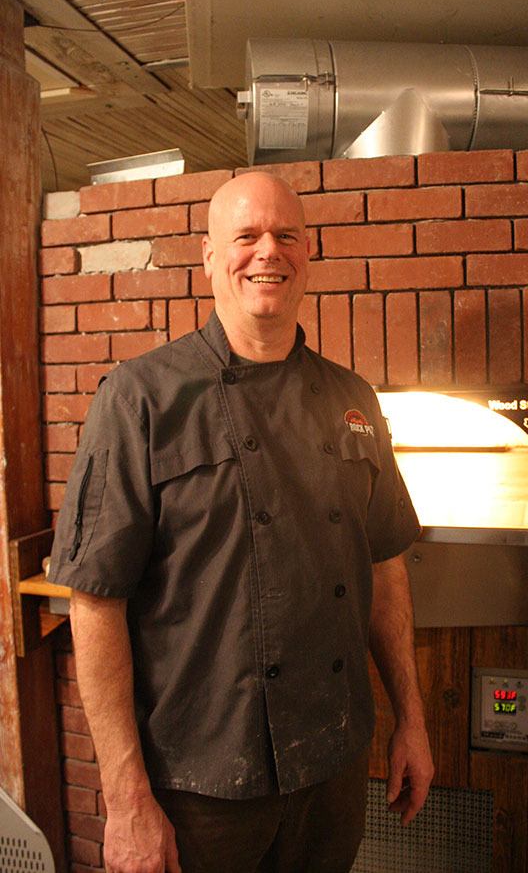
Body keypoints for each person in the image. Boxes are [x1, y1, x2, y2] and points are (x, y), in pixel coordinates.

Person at [48, 172, 434, 873]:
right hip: (200, 786)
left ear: (307, 252)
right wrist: (127, 797)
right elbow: (95, 602)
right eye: (247, 236)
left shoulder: (352, 399)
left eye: (286, 235)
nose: (268, 252)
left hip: (333, 767)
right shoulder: (139, 399)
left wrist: (412, 719)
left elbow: (384, 567)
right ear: (208, 256)